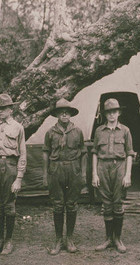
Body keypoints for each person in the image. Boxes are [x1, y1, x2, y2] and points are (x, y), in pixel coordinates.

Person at [0, 94, 27, 255]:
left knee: (9, 204)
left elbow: (22, 153)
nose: (0, 112)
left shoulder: (18, 127)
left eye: (3, 109)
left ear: (10, 110)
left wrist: (19, 178)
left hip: (10, 166)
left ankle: (8, 241)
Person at [43, 99, 85, 254]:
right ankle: (58, 239)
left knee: (72, 204)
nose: (65, 114)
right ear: (57, 115)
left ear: (70, 114)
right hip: (56, 169)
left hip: (73, 168)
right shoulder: (50, 132)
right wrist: (45, 173)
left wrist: (82, 173)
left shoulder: (78, 131)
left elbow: (83, 152)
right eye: (61, 112)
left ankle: (70, 238)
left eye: (67, 112)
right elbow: (46, 153)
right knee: (58, 205)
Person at [92, 98, 134, 253]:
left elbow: (130, 153)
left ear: (119, 113)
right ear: (105, 114)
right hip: (103, 167)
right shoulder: (98, 131)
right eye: (108, 112)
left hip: (119, 167)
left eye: (114, 112)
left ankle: (118, 239)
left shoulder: (125, 131)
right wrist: (94, 174)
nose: (111, 115)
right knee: (106, 204)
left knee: (117, 203)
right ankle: (108, 238)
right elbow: (95, 153)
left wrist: (127, 174)